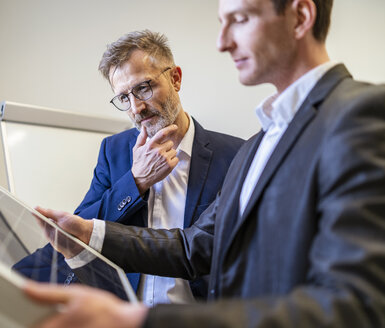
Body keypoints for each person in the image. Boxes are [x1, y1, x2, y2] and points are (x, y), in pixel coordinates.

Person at [24, 0, 385, 327]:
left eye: (240, 19)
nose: (222, 42)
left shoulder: (361, 113)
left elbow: (358, 305)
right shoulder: (257, 146)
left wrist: (140, 321)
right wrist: (91, 234)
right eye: (221, 22)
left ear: (300, 16)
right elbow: (192, 248)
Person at [14, 30, 243, 305]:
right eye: (123, 98)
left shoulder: (234, 155)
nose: (136, 108)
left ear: (176, 78)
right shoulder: (113, 151)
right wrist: (135, 182)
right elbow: (83, 225)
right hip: (126, 315)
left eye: (144, 87)